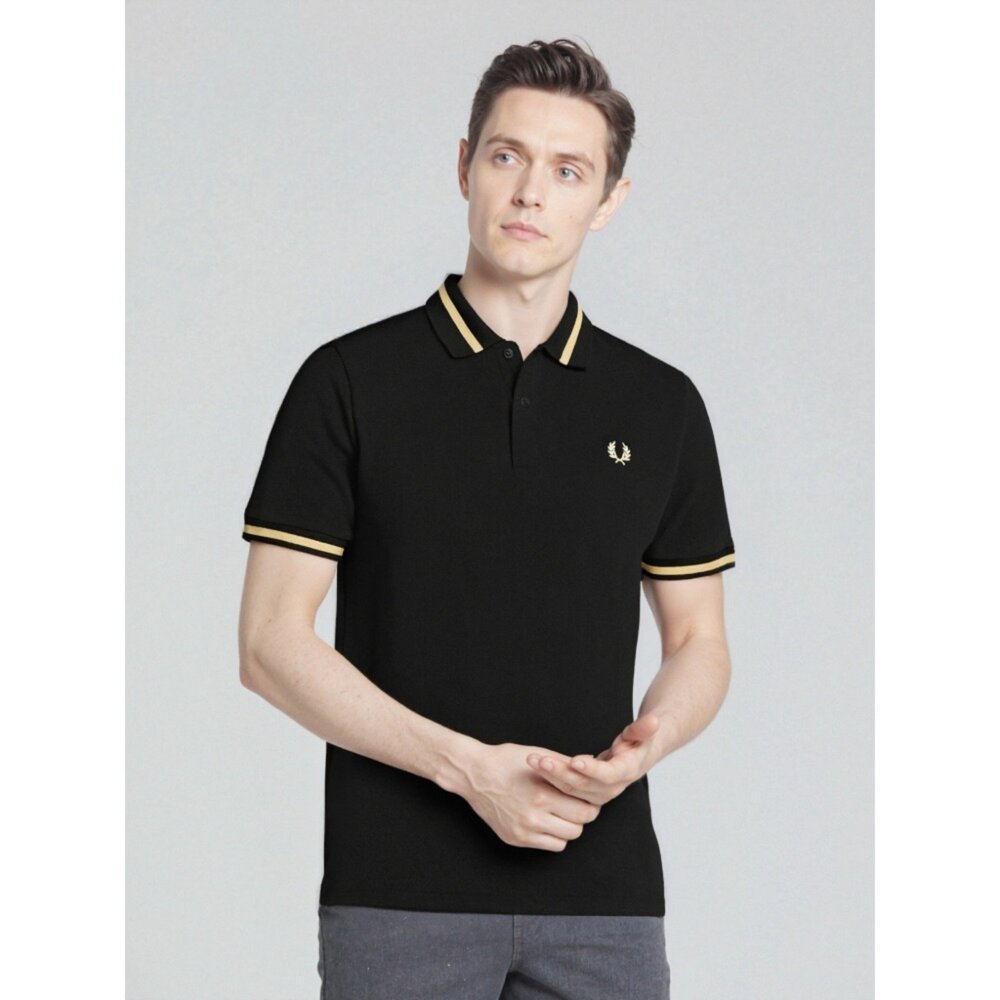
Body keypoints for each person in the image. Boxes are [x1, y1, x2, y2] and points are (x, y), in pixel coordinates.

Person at [238, 37, 735, 1000]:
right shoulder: (349, 382)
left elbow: (699, 642)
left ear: (609, 199)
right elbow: (267, 644)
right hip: (398, 902)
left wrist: (652, 739)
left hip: (606, 903)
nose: (531, 192)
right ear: (465, 166)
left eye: (569, 170)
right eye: (508, 156)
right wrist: (469, 772)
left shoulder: (661, 404)